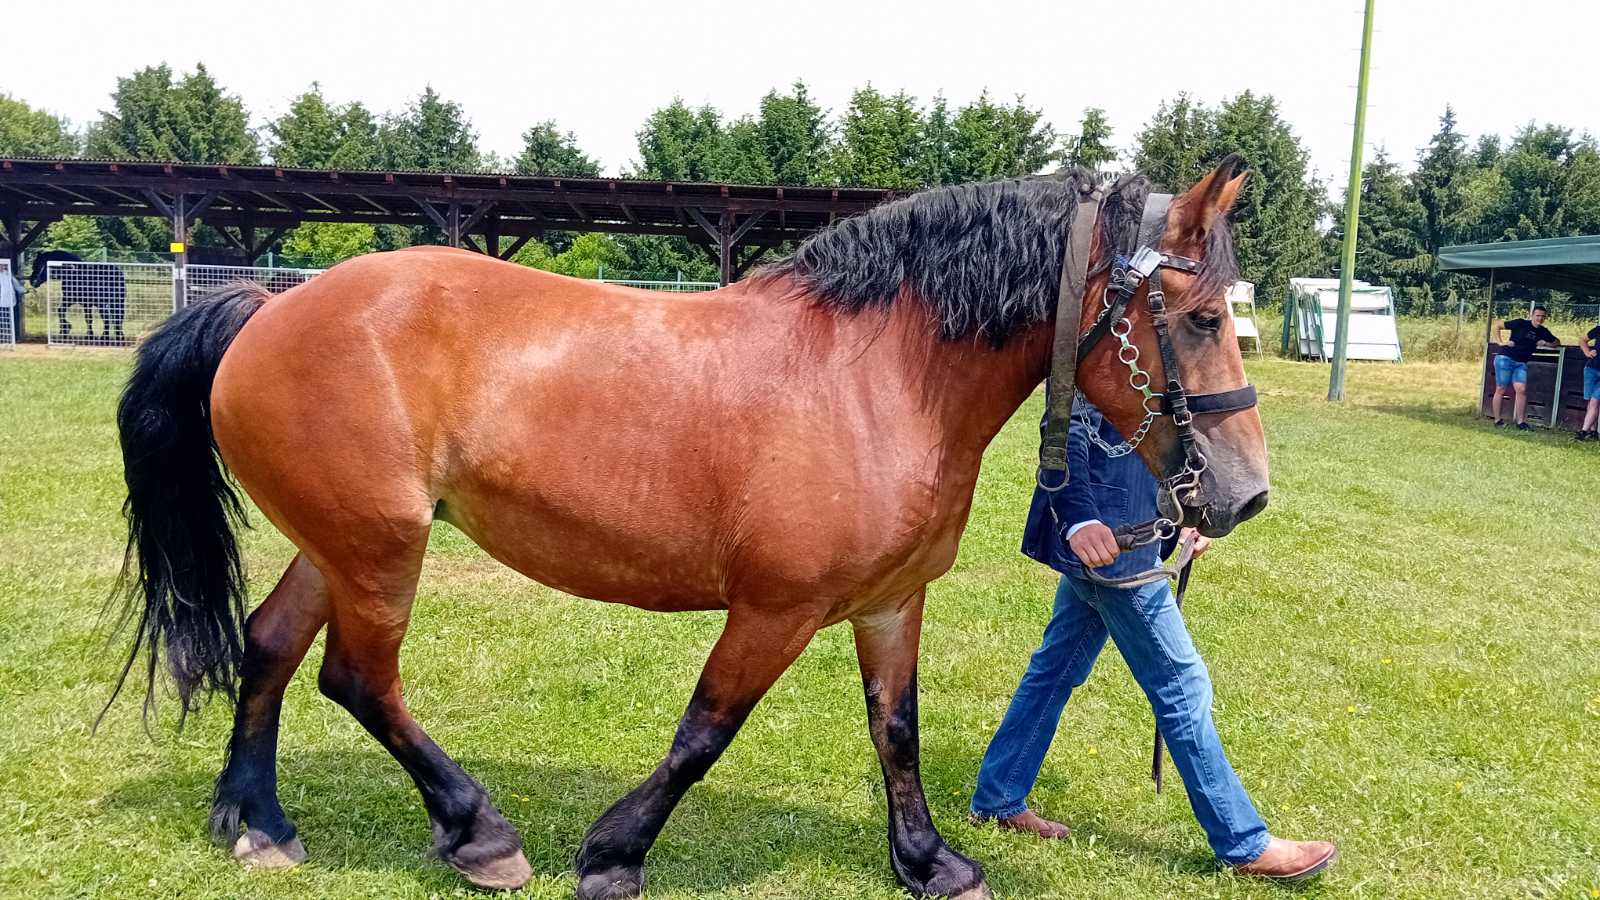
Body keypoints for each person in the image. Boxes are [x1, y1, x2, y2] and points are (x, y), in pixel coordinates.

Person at [969, 396, 1337, 882]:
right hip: (1111, 552)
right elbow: (1064, 437)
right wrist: (1079, 520)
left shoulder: (1156, 339)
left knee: (1054, 671)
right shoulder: (1100, 338)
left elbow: (1178, 432)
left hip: (1126, 543)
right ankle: (1242, 843)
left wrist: (1193, 512)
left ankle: (998, 795)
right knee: (1182, 684)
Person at [1491, 306, 1560, 431]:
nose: (1540, 318)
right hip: (1505, 358)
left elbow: (1557, 342)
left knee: (1521, 390)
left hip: (1521, 363)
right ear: (1532, 315)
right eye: (1537, 315)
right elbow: (1497, 325)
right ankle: (1497, 420)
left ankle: (1521, 422)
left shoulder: (1543, 331)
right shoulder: (1520, 323)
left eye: (1543, 316)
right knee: (1501, 388)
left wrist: (1546, 343)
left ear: (1545, 317)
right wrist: (1500, 342)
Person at [1579, 321, 1600, 441]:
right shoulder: (1598, 329)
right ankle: (1593, 431)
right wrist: (1587, 352)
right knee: (1591, 401)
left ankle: (1583, 431)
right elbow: (1582, 340)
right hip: (1591, 369)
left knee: (1594, 401)